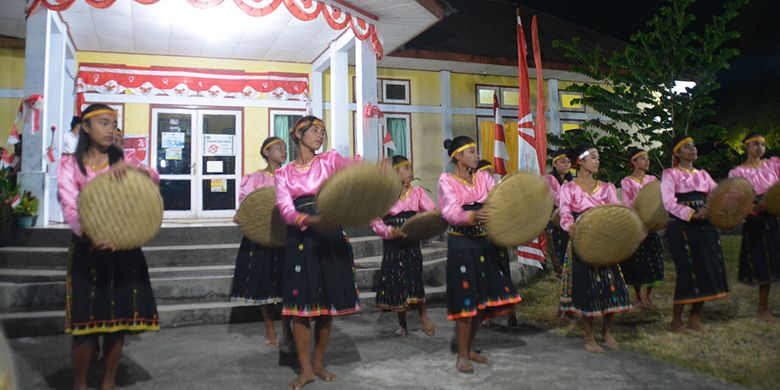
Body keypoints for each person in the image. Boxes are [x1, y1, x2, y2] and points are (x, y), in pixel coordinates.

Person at [57, 104, 160, 390]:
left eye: (113, 124)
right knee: (84, 328)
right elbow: (69, 205)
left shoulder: (124, 159)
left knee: (117, 324)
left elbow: (152, 178)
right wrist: (88, 234)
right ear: (85, 127)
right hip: (88, 251)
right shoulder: (69, 165)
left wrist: (132, 169)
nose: (110, 129)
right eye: (103, 123)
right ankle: (79, 383)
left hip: (124, 249)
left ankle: (108, 381)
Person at [274, 116, 360, 390]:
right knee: (300, 309)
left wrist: (371, 171)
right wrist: (308, 220)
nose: (320, 135)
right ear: (299, 135)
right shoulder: (284, 174)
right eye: (314, 130)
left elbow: (353, 169)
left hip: (330, 234)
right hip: (301, 239)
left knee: (325, 306)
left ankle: (319, 362)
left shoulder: (329, 161)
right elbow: (286, 210)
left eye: (323, 131)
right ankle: (306, 369)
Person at [438, 136, 521, 373]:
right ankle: (462, 355)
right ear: (458, 156)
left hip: (484, 244)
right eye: (472, 152)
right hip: (462, 247)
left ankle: (470, 348)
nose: (476, 155)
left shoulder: (483, 178)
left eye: (476, 152)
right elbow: (451, 212)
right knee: (467, 302)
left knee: (481, 302)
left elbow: (496, 201)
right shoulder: (447, 180)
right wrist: (473, 216)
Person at [558, 144, 632, 353]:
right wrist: (569, 227)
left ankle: (606, 331)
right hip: (582, 241)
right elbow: (564, 213)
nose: (597, 161)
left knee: (612, 285)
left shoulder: (607, 187)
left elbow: (616, 211)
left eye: (598, 157)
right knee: (586, 288)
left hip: (604, 241)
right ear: (580, 161)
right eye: (593, 157)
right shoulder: (569, 188)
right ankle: (589, 336)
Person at [661, 135, 728, 332]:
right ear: (678, 153)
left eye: (694, 146)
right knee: (687, 272)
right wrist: (691, 214)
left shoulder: (704, 175)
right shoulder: (670, 174)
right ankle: (676, 320)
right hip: (682, 227)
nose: (693, 150)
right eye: (687, 147)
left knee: (706, 269)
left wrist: (711, 210)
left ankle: (695, 317)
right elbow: (668, 202)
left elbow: (717, 195)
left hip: (705, 227)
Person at [230, 136, 292, 346]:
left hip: (284, 235)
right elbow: (247, 205)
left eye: (284, 148)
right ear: (266, 152)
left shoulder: (290, 176)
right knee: (264, 282)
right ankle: (270, 329)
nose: (283, 151)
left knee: (287, 283)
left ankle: (286, 327)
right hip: (262, 235)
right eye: (278, 148)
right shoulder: (254, 179)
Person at [370, 155, 437, 337]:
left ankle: (423, 315)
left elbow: (431, 212)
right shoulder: (382, 196)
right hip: (392, 245)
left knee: (414, 278)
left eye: (410, 168)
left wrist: (422, 226)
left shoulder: (417, 193)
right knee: (396, 281)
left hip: (411, 243)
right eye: (405, 168)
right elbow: (375, 221)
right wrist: (389, 232)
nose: (411, 172)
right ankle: (403, 324)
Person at [728, 132, 779, 322]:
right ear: (746, 147)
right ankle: (762, 309)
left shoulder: (773, 165)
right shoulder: (738, 172)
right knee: (762, 260)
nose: (760, 148)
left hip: (774, 214)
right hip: (755, 216)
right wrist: (752, 208)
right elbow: (736, 197)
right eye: (756, 144)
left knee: (775, 258)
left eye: (763, 145)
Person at [620, 148, 665, 309]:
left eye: (647, 159)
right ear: (634, 162)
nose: (647, 161)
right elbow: (628, 203)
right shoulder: (627, 181)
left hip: (651, 224)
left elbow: (657, 199)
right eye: (643, 159)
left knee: (654, 261)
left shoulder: (652, 179)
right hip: (637, 224)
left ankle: (648, 294)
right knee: (636, 262)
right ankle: (639, 296)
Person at [544, 150, 573, 275]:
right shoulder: (549, 179)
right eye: (563, 162)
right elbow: (556, 198)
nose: (566, 164)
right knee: (558, 250)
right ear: (554, 164)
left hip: (569, 221)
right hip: (554, 222)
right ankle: (561, 274)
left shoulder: (571, 181)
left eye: (568, 162)